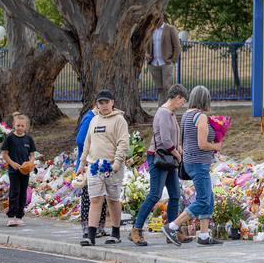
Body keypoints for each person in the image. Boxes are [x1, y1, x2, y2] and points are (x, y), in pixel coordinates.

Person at [130, 84, 191, 246]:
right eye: (182, 101)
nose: (182, 104)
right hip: (160, 158)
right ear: (177, 97)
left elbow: (173, 137)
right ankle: (136, 229)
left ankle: (172, 230)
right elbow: (164, 140)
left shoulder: (170, 113)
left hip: (168, 159)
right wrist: (178, 155)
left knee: (175, 195)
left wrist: (179, 150)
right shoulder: (164, 113)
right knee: (155, 195)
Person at [162, 85, 223, 246]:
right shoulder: (201, 117)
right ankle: (173, 226)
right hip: (199, 162)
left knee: (208, 197)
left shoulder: (187, 115)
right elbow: (202, 144)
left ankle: (203, 235)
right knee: (203, 199)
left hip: (189, 161)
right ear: (205, 100)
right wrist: (216, 146)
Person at [77, 90, 129, 246]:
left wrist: (117, 163)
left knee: (113, 200)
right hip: (94, 166)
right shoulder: (94, 120)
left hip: (112, 166)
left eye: (107, 102)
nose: (104, 105)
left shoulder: (119, 120)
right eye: (101, 103)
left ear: (112, 102)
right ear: (97, 104)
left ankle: (115, 232)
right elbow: (87, 143)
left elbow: (123, 143)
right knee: (95, 199)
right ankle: (90, 235)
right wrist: (82, 164)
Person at [75, 103, 108, 238]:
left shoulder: (101, 118)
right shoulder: (90, 118)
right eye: (103, 104)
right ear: (97, 105)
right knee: (90, 197)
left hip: (100, 163)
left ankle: (99, 227)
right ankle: (88, 227)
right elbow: (80, 140)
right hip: (89, 163)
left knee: (102, 196)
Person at [1, 113, 36, 227]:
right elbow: (5, 154)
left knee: (23, 193)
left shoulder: (28, 139)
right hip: (14, 171)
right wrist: (12, 163)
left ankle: (19, 216)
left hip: (25, 171)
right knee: (14, 192)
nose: (20, 127)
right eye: (18, 125)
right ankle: (11, 216)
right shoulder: (10, 138)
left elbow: (32, 155)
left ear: (26, 127)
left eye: (22, 126)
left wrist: (30, 163)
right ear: (14, 125)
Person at [145, 15, 181, 106]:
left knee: (167, 87)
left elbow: (177, 47)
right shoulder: (150, 30)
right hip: (153, 63)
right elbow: (144, 44)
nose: (155, 21)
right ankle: (161, 108)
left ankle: (169, 108)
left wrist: (173, 61)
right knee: (160, 88)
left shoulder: (170, 29)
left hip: (166, 63)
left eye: (157, 19)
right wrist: (146, 54)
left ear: (161, 18)